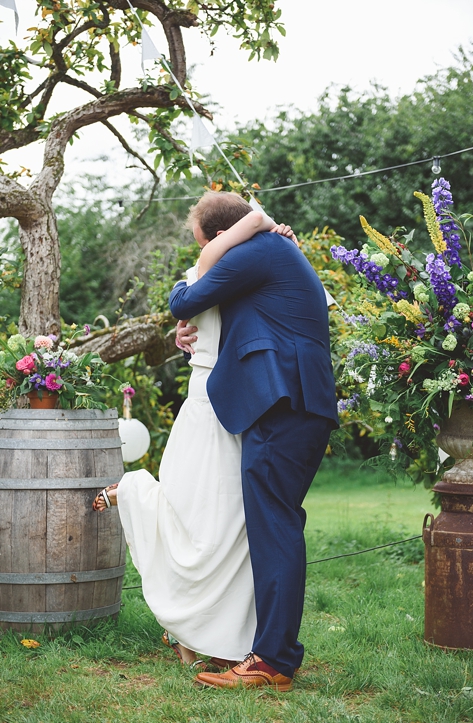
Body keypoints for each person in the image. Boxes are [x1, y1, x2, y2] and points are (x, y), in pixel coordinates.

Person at [93, 205, 297, 671]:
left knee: (230, 524)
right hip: (211, 400)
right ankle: (135, 495)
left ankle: (208, 632)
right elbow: (192, 305)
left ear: (220, 235)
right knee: (198, 518)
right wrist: (266, 227)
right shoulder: (208, 271)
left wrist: (275, 233)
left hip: (238, 404)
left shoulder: (247, 267)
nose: (199, 248)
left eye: (202, 238)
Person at [168, 191, 338, 690]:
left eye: (207, 244)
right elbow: (214, 313)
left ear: (223, 237)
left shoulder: (257, 249)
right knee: (273, 524)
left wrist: (221, 248)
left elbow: (184, 296)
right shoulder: (269, 252)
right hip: (291, 402)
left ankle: (272, 662)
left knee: (276, 526)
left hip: (286, 402)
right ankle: (270, 652)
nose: (210, 253)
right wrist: (189, 332)